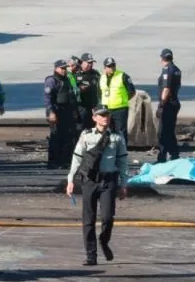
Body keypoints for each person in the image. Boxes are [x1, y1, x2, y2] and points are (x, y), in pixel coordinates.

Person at [66, 107, 130, 266]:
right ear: (94, 118)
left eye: (107, 115)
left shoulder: (116, 137)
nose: (105, 118)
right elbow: (77, 158)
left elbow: (122, 162)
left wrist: (124, 184)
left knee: (108, 217)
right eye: (101, 116)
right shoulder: (86, 135)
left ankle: (104, 240)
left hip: (109, 181)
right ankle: (91, 255)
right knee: (89, 219)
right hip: (90, 181)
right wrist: (70, 180)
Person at [44, 59, 79, 169]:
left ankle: (64, 161)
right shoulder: (52, 80)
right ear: (56, 68)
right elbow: (48, 98)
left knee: (67, 137)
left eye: (65, 68)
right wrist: (51, 112)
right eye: (62, 68)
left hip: (67, 111)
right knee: (55, 137)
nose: (64, 70)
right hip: (56, 110)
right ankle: (53, 162)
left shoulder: (67, 80)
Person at [156, 48, 182, 164]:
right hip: (174, 102)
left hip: (168, 104)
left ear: (162, 58)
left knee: (162, 132)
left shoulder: (167, 70)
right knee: (169, 131)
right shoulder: (176, 69)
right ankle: (174, 154)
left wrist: (161, 105)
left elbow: (166, 88)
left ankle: (162, 157)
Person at [100, 57, 135, 136]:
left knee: (121, 132)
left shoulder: (123, 76)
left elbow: (132, 92)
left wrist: (123, 100)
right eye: (109, 66)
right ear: (105, 68)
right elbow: (100, 93)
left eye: (113, 65)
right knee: (108, 132)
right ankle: (111, 148)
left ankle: (122, 148)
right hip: (107, 109)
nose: (112, 68)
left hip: (120, 109)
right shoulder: (101, 77)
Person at [74, 53, 100, 130]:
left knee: (93, 128)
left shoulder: (95, 74)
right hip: (82, 107)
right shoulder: (76, 74)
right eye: (88, 63)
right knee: (80, 128)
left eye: (91, 63)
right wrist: (80, 89)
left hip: (94, 107)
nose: (90, 64)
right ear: (82, 62)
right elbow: (72, 90)